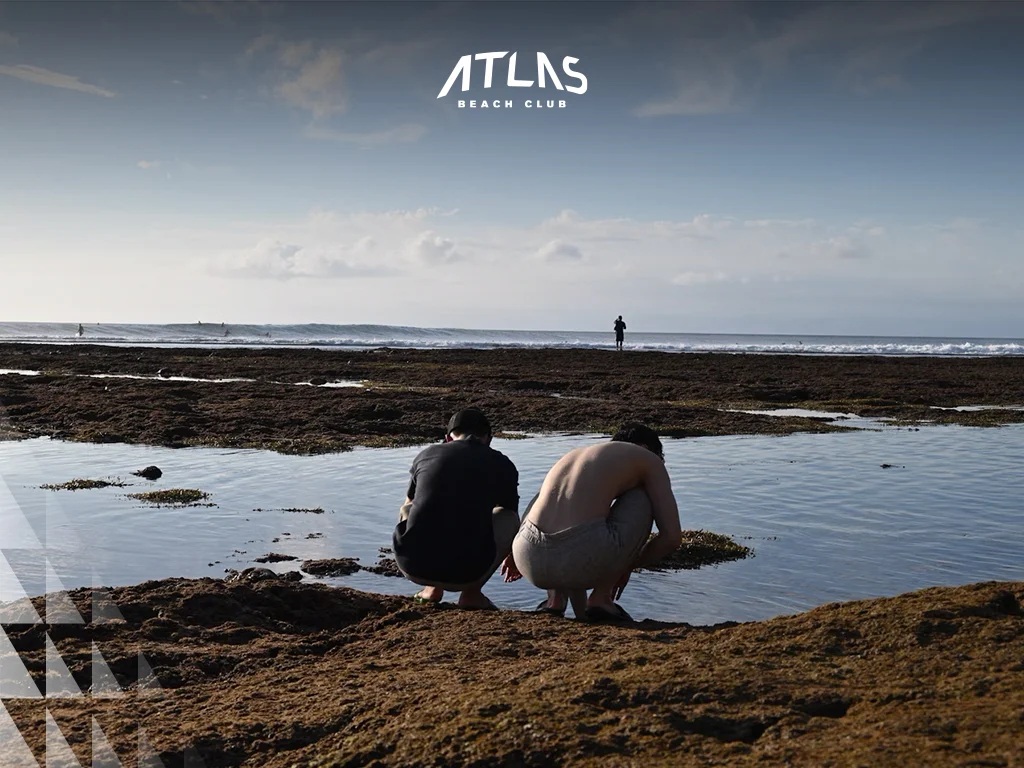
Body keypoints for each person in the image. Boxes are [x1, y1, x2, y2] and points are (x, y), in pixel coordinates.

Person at [509, 423, 682, 622]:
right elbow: (671, 538)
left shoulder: (576, 456)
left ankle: (555, 600)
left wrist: (513, 552)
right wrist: (625, 565)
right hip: (577, 555)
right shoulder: (648, 459)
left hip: (527, 556)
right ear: (646, 449)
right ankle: (601, 598)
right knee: (644, 496)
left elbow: (549, 511)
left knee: (566, 505)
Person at [393, 407, 521, 610]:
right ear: (488, 438)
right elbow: (511, 513)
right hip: (467, 573)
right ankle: (471, 594)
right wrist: (515, 554)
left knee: (409, 507)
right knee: (508, 517)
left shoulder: (427, 454)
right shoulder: (502, 463)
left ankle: (431, 589)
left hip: (412, 565)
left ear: (448, 438)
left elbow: (411, 501)